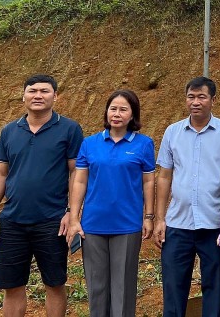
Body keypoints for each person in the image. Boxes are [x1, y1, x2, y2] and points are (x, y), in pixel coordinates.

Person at [0, 74, 83, 317]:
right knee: (12, 285)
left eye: (45, 91)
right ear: (24, 96)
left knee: (55, 283)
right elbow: (0, 174)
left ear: (55, 96)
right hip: (14, 220)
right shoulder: (9, 131)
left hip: (52, 220)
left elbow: (76, 174)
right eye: (32, 91)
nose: (38, 95)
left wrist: (72, 212)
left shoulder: (69, 129)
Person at [154, 77, 220, 317]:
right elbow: (164, 177)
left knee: (215, 287)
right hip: (178, 224)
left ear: (213, 100)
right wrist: (160, 219)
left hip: (215, 224)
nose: (196, 102)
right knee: (173, 287)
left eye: (201, 97)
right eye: (191, 96)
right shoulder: (173, 132)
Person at [66, 89, 156, 317]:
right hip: (93, 224)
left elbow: (148, 182)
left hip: (127, 225)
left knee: (123, 286)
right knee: (97, 286)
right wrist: (74, 218)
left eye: (123, 109)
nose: (117, 114)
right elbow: (80, 181)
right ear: (106, 112)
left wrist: (149, 216)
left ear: (132, 114)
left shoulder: (144, 144)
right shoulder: (90, 143)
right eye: (113, 108)